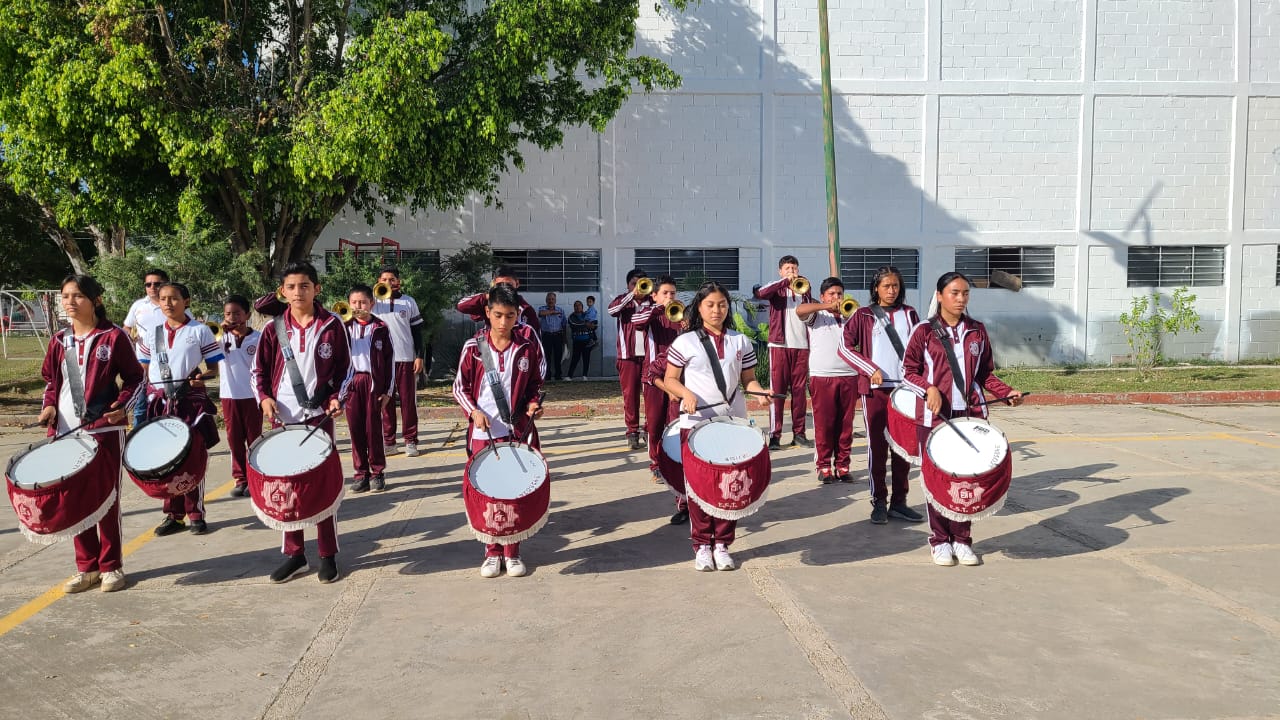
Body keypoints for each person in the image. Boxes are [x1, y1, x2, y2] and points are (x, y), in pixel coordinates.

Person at [902, 271, 1023, 567]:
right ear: (940, 295)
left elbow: (984, 373)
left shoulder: (977, 331)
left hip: (971, 416)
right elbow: (908, 372)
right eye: (954, 293)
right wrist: (929, 387)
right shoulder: (924, 331)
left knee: (968, 480)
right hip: (935, 417)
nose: (960, 299)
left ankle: (963, 540)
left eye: (965, 293)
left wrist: (1006, 392)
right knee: (939, 480)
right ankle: (939, 540)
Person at [37, 275, 144, 593]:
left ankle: (112, 567)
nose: (70, 301)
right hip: (66, 432)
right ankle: (87, 568)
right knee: (73, 500)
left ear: (96, 300)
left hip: (104, 430)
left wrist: (122, 405)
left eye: (77, 295)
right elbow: (51, 383)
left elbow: (136, 379)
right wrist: (49, 407)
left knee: (105, 499)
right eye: (65, 296)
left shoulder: (113, 338)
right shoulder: (59, 340)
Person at [253, 261, 352, 584]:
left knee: (321, 486)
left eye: (305, 286)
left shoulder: (332, 325)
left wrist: (338, 397)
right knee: (286, 487)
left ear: (317, 289)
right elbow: (259, 372)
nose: (298, 292)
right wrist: (264, 398)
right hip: (282, 417)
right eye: (291, 287)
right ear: (282, 292)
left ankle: (327, 554)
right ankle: (294, 555)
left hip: (319, 417)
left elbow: (345, 370)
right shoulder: (273, 328)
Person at [664, 281, 769, 572]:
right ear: (699, 307)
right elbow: (671, 378)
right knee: (699, 488)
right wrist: (686, 394)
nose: (716, 310)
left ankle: (722, 544)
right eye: (710, 304)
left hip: (732, 424)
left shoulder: (740, 341)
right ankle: (701, 546)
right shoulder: (685, 342)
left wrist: (761, 394)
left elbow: (748, 380)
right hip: (696, 424)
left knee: (730, 487)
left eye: (722, 304)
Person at [452, 284, 546, 578]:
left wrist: (533, 405)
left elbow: (534, 387)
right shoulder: (474, 348)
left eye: (510, 315)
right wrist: (474, 412)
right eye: (498, 315)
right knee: (488, 495)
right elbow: (460, 388)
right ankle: (491, 552)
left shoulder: (526, 347)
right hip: (484, 433)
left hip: (515, 431)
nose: (504, 322)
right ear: (487, 314)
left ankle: (513, 551)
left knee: (513, 492)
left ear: (518, 315)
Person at [137, 282, 223, 536]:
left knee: (191, 456)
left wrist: (201, 378)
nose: (167, 303)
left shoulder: (199, 331)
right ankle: (173, 515)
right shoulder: (151, 332)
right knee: (165, 459)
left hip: (189, 401)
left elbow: (213, 368)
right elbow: (142, 367)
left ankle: (196, 513)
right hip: (159, 401)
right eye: (163, 299)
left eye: (173, 298)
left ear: (186, 301)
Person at [840, 266, 924, 523]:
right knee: (878, 447)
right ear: (875, 287)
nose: (891, 291)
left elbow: (921, 348)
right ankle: (878, 501)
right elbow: (844, 346)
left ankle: (899, 502)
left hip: (906, 389)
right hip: (875, 390)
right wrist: (869, 368)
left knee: (903, 446)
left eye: (896, 286)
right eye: (886, 286)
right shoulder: (864, 315)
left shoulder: (909, 314)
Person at [795, 278, 859, 484]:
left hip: (849, 375)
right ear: (823, 296)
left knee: (846, 425)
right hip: (822, 375)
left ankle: (842, 466)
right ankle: (823, 466)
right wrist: (827, 306)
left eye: (839, 294)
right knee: (824, 425)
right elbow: (800, 310)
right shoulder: (818, 315)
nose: (836, 298)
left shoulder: (851, 315)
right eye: (831, 294)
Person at [753, 255, 814, 450]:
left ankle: (799, 433)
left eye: (794, 268)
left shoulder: (803, 286)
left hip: (801, 345)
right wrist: (784, 281)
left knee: (799, 392)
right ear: (780, 271)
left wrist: (797, 282)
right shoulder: (776, 288)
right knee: (777, 391)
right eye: (788, 268)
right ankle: (775, 435)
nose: (792, 272)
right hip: (779, 345)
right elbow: (761, 293)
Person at [342, 284, 395, 493]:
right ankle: (360, 473)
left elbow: (390, 360)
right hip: (352, 382)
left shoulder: (381, 327)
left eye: (363, 302)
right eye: (354, 303)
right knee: (355, 430)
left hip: (373, 384)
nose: (358, 306)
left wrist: (388, 391)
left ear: (371, 303)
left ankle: (377, 472)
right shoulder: (344, 327)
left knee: (373, 430)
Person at [373, 266, 425, 457]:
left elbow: (418, 332)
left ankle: (411, 441)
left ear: (398, 282)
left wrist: (419, 356)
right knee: (385, 401)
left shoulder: (408, 302)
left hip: (405, 358)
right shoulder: (374, 301)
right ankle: (389, 441)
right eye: (384, 279)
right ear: (378, 281)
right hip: (382, 361)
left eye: (392, 279)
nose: (388, 283)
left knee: (408, 402)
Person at [218, 295, 264, 498]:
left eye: (237, 313)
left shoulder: (259, 337)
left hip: (252, 396)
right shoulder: (219, 338)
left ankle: (256, 477)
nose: (232, 317)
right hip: (229, 396)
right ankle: (240, 478)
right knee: (234, 439)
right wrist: (219, 332)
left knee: (254, 438)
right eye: (228, 314)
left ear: (247, 314)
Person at [609, 268, 656, 449]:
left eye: (641, 283)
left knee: (651, 395)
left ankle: (649, 429)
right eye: (633, 283)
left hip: (649, 357)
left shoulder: (652, 301)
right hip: (627, 357)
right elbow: (611, 310)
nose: (637, 287)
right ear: (628, 285)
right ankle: (632, 432)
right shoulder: (622, 301)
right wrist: (631, 295)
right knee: (630, 397)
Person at [122, 269, 170, 428]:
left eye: (157, 284)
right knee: (140, 407)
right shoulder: (138, 305)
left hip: (167, 362)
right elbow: (127, 327)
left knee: (167, 406)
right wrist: (130, 336)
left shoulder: (174, 303)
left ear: (165, 284)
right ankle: (137, 444)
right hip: (141, 361)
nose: (152, 287)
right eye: (148, 284)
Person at [456, 266, 541, 331]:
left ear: (517, 283)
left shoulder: (527, 310)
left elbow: (535, 340)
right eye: (499, 285)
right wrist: (489, 296)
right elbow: (461, 306)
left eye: (509, 285)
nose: (504, 288)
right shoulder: (488, 303)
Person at [538, 292, 567, 381]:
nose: (551, 301)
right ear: (546, 300)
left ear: (555, 300)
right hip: (546, 336)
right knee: (547, 356)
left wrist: (564, 339)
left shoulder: (561, 310)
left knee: (558, 356)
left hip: (558, 336)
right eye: (549, 299)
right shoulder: (542, 308)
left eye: (552, 299)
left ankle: (558, 375)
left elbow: (564, 324)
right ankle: (547, 375)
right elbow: (541, 314)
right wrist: (552, 312)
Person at [566, 300, 594, 380]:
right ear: (574, 307)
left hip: (587, 340)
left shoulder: (587, 315)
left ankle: (585, 376)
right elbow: (575, 325)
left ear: (582, 307)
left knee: (586, 358)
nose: (577, 307)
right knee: (575, 358)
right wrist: (586, 324)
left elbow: (593, 324)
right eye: (576, 305)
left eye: (579, 305)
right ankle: (569, 376)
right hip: (577, 341)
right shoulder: (571, 317)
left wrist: (591, 325)